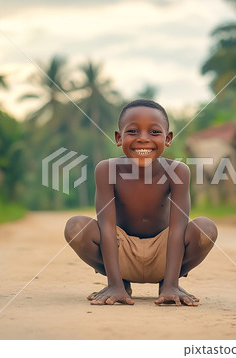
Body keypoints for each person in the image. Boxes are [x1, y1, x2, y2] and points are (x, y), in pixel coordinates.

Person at [64, 99, 218, 306]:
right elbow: (107, 228)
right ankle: (120, 284)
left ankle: (168, 284)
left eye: (154, 132)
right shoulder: (106, 170)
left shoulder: (178, 171)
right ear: (118, 138)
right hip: (120, 250)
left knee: (206, 228)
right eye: (133, 132)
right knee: (75, 227)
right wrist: (114, 284)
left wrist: (171, 283)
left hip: (165, 254)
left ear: (168, 138)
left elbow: (178, 229)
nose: (143, 139)